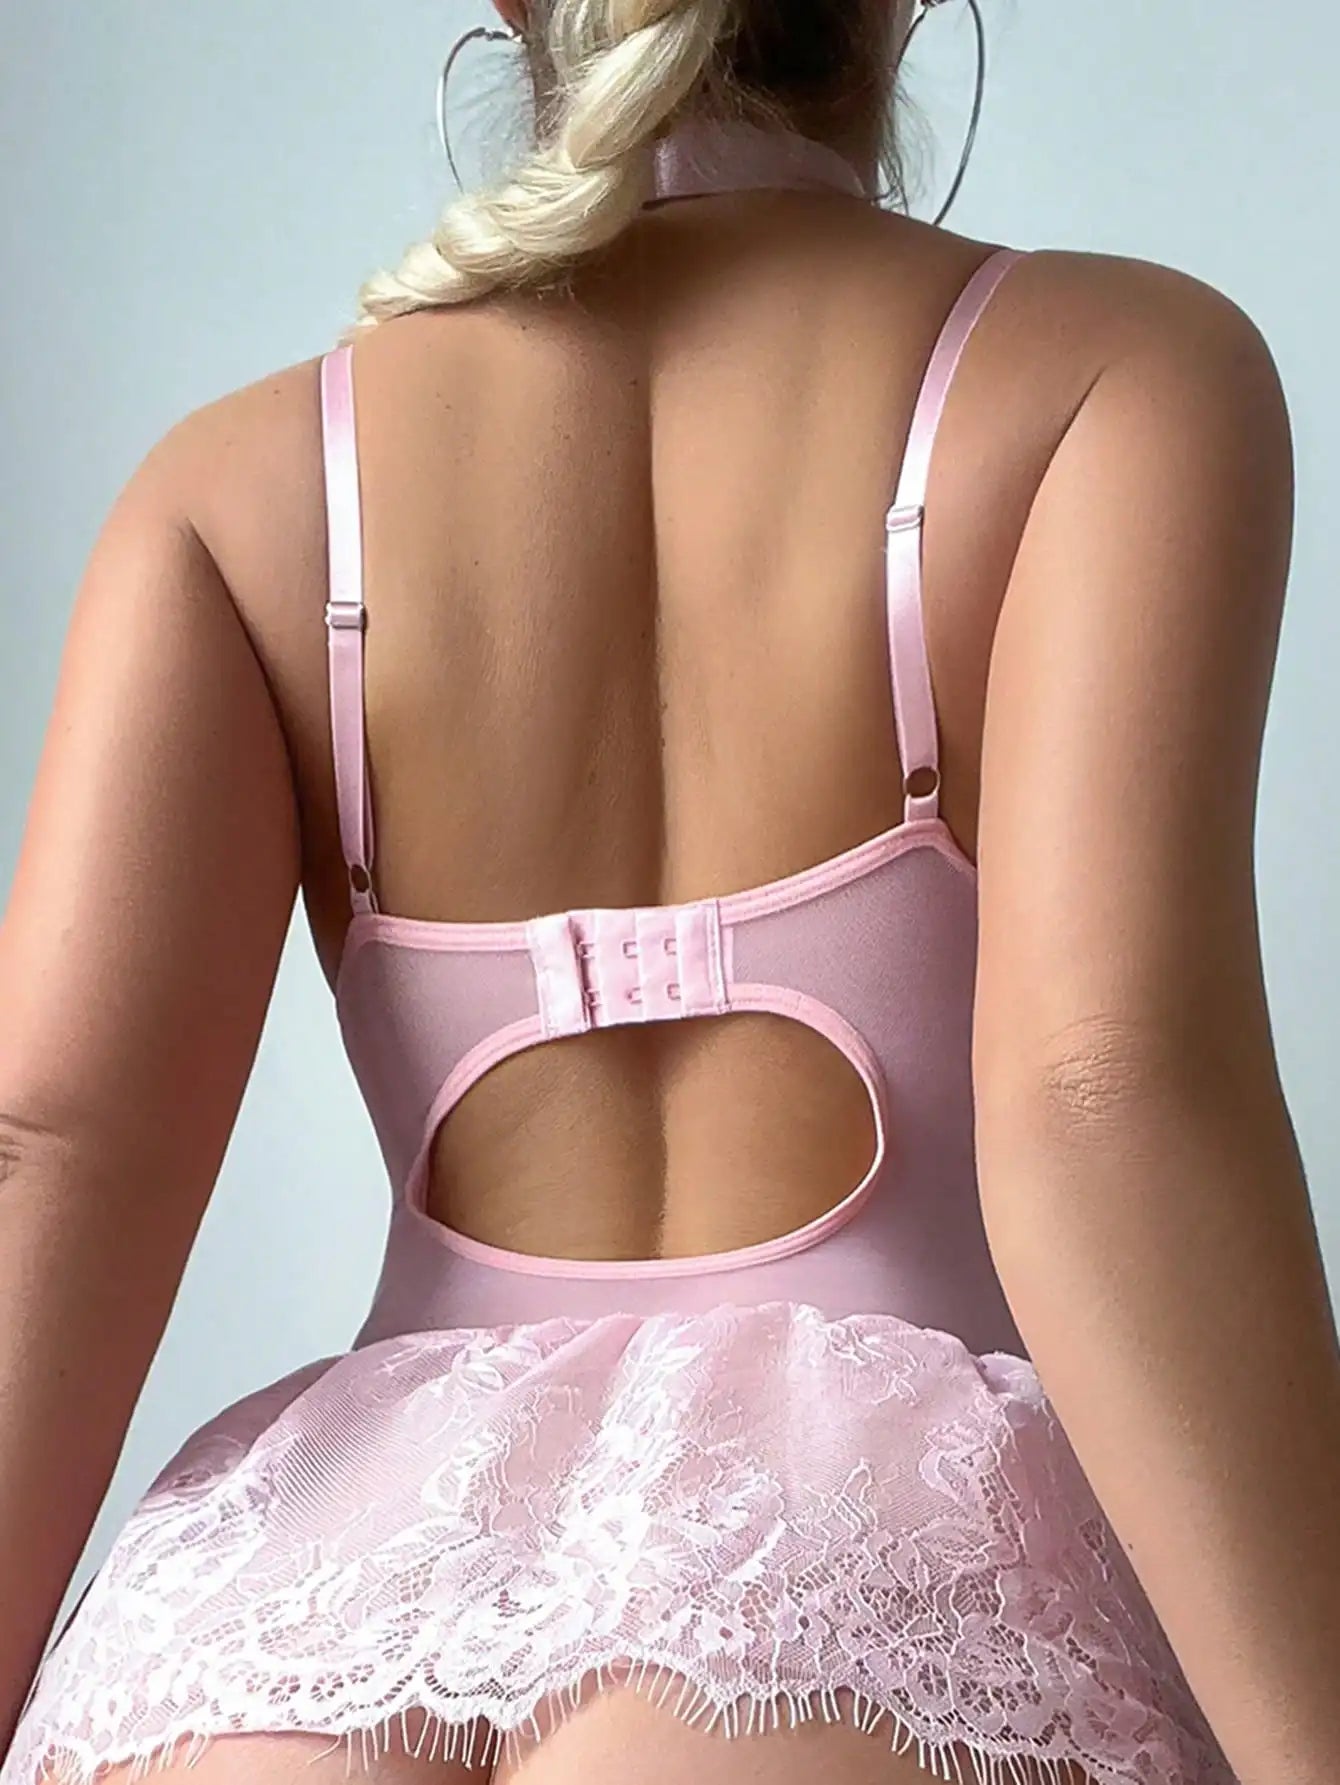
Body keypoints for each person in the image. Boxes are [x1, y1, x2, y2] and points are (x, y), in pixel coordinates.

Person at [1, 2, 1337, 1782]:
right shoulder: (1115, 374)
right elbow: (1105, 1102)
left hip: (292, 1627)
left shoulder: (236, 489)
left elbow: (48, 1149)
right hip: (838, 1608)